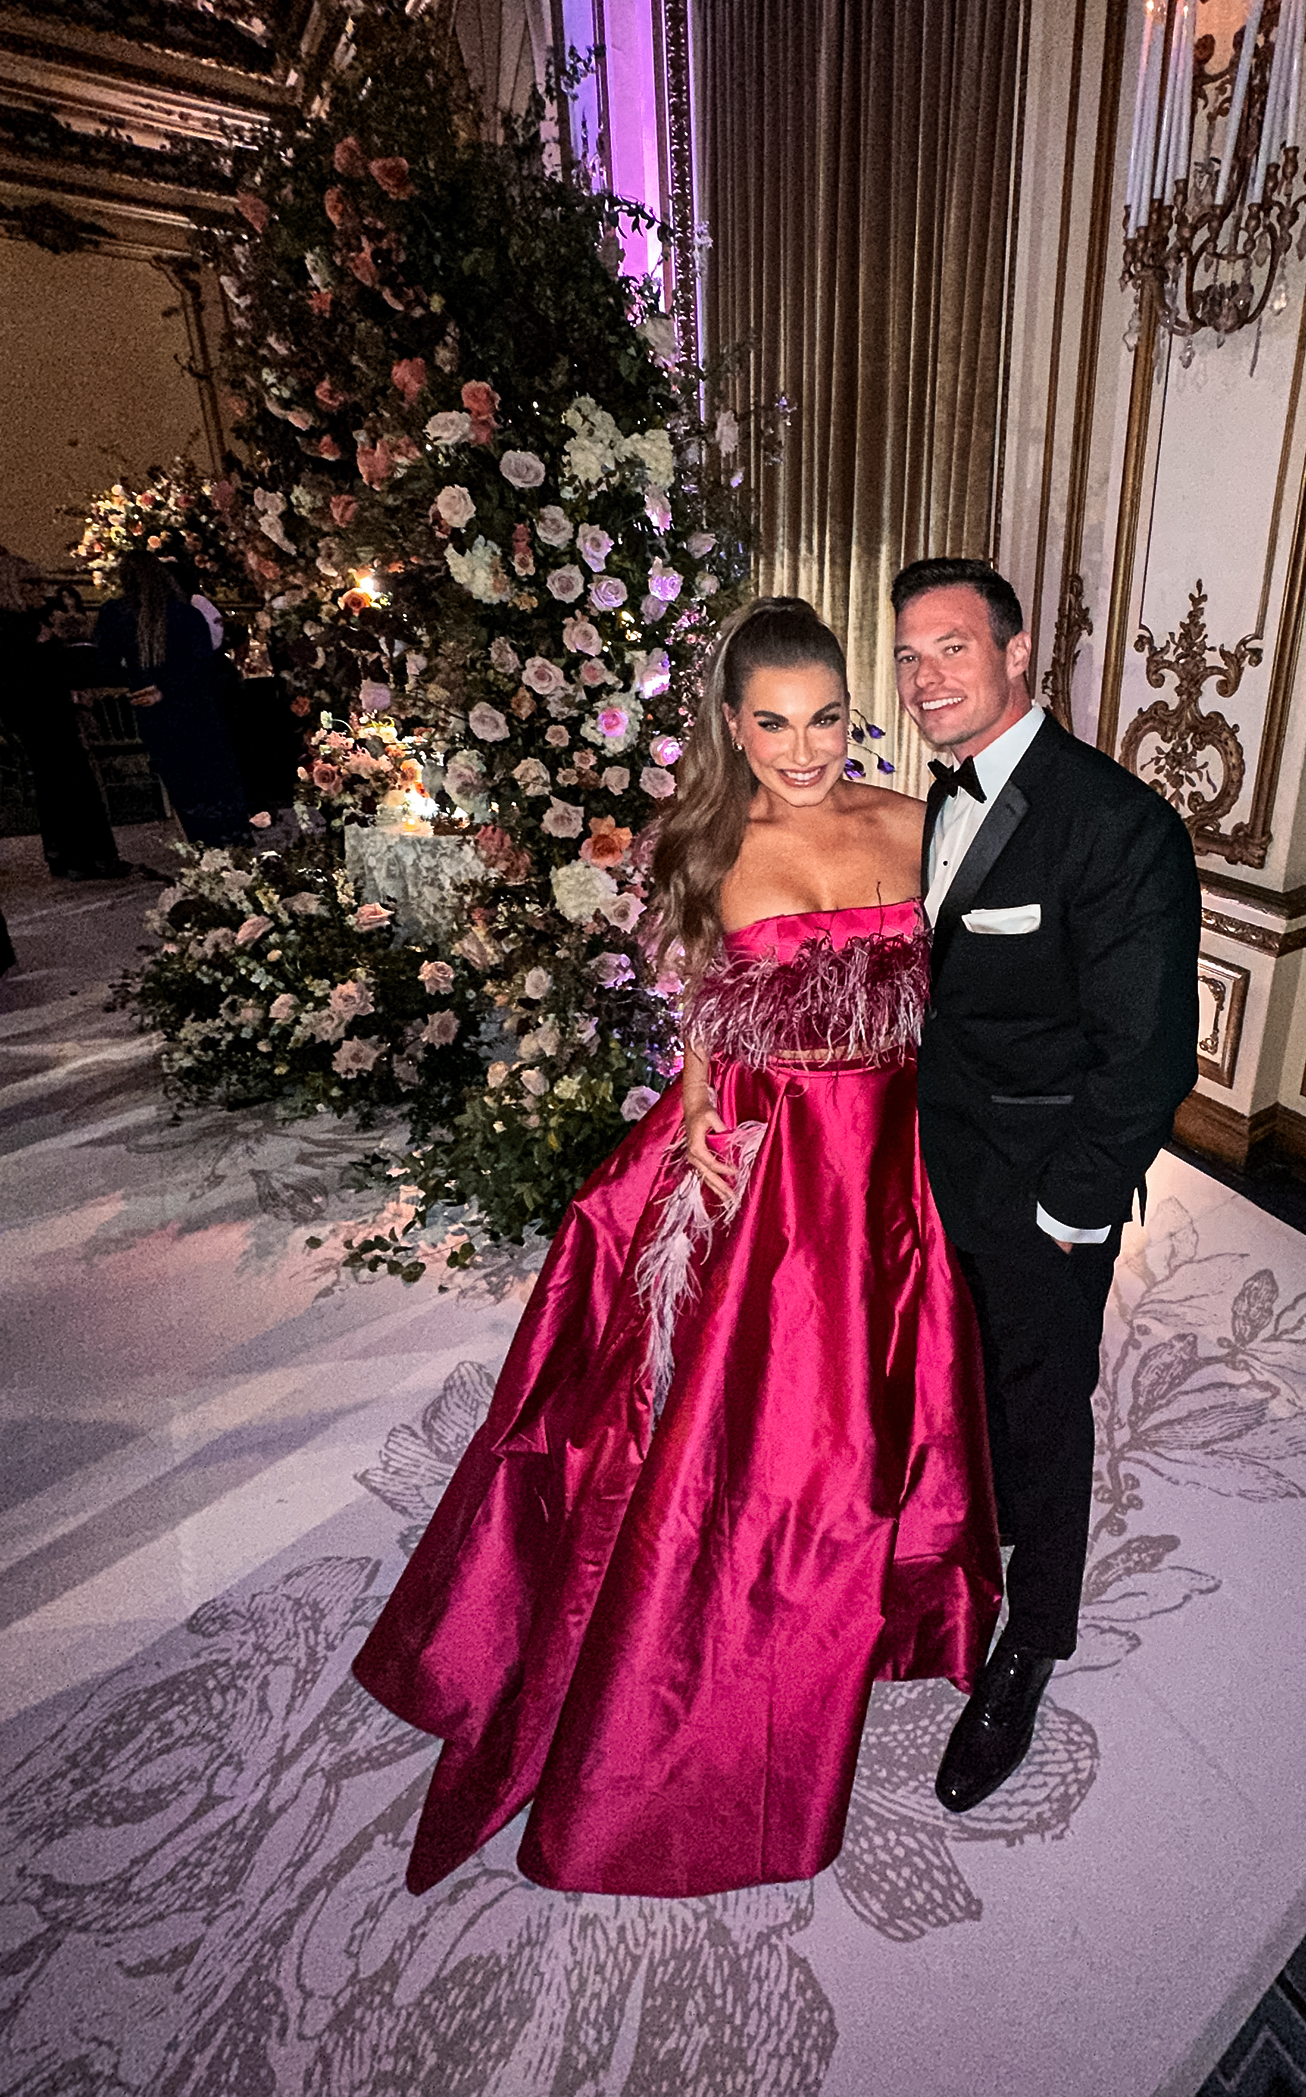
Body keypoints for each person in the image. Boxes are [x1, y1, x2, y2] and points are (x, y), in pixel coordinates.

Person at [354, 596, 1001, 1897]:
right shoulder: (703, 850)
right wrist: (700, 1167)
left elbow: (965, 1004)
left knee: (906, 1409)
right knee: (774, 1444)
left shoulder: (915, 820)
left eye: (824, 718)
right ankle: (719, 1696)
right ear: (731, 724)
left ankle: (887, 1609)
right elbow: (705, 1043)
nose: (806, 749)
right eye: (774, 724)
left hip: (899, 1157)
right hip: (770, 1174)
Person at [891, 556, 1200, 1814]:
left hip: (1040, 1197)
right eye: (909, 655)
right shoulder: (930, 799)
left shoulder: (1121, 827)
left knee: (1048, 1403)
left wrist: (1069, 1217)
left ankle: (1034, 1644)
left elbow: (1147, 1058)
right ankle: (966, 1541)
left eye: (953, 648)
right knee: (956, 1379)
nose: (926, 679)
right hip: (929, 1166)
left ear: (1019, 656)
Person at [94, 552, 251, 847]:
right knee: (213, 778)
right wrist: (170, 687)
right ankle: (231, 840)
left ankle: (201, 845)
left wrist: (139, 679)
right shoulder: (185, 614)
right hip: (195, 706)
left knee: (183, 782)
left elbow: (106, 663)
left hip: (155, 710)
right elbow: (203, 665)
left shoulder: (115, 614)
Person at [0, 545, 128, 880]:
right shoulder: (16, 626)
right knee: (66, 782)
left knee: (61, 782)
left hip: (44, 710)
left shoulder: (26, 622)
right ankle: (84, 855)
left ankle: (74, 854)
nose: (38, 591)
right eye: (30, 585)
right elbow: (29, 671)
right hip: (41, 712)